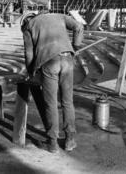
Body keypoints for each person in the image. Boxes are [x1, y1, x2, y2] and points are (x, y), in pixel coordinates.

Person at [20, 11, 84, 153]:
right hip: (67, 59)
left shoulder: (28, 26)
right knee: (67, 102)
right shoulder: (58, 16)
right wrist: (76, 46)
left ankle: (53, 143)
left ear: (26, 20)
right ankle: (70, 140)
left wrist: (31, 72)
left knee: (51, 103)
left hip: (49, 63)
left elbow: (28, 54)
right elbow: (79, 27)